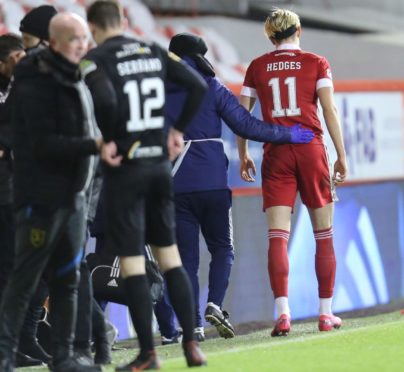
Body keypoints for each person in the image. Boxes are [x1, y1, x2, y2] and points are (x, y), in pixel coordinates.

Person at [160, 33, 314, 341]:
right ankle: (215, 303)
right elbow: (247, 126)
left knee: (185, 260)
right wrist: (289, 135)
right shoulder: (211, 86)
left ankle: (193, 327)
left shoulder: (158, 88)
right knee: (223, 249)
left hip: (175, 185)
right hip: (214, 184)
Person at [83, 1, 207, 369]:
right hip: (157, 167)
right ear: (122, 21)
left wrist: (107, 137)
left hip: (126, 170)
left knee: (134, 264)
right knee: (170, 258)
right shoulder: (152, 50)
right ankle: (190, 343)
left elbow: (103, 98)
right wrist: (178, 128)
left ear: (92, 26)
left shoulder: (95, 59)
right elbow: (197, 85)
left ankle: (148, 354)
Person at [0, 13, 103, 372]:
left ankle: (64, 358)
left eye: (85, 38)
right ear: (54, 42)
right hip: (42, 199)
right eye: (76, 38)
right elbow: (43, 143)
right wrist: (95, 145)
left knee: (67, 280)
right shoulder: (35, 80)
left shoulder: (74, 76)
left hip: (74, 197)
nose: (83, 44)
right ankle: (3, 355)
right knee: (25, 279)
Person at [237, 8, 348, 336]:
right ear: (298, 31)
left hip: (276, 153)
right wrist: (341, 155)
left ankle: (283, 313)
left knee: (277, 236)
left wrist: (243, 154)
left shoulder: (257, 67)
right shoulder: (317, 62)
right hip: (310, 148)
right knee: (323, 232)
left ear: (271, 37)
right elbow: (328, 108)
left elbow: (242, 115)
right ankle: (326, 314)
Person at [0, 33, 53, 369]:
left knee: (40, 267)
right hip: (7, 196)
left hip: (31, 191)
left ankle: (25, 339)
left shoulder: (26, 88)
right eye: (18, 59)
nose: (24, 64)